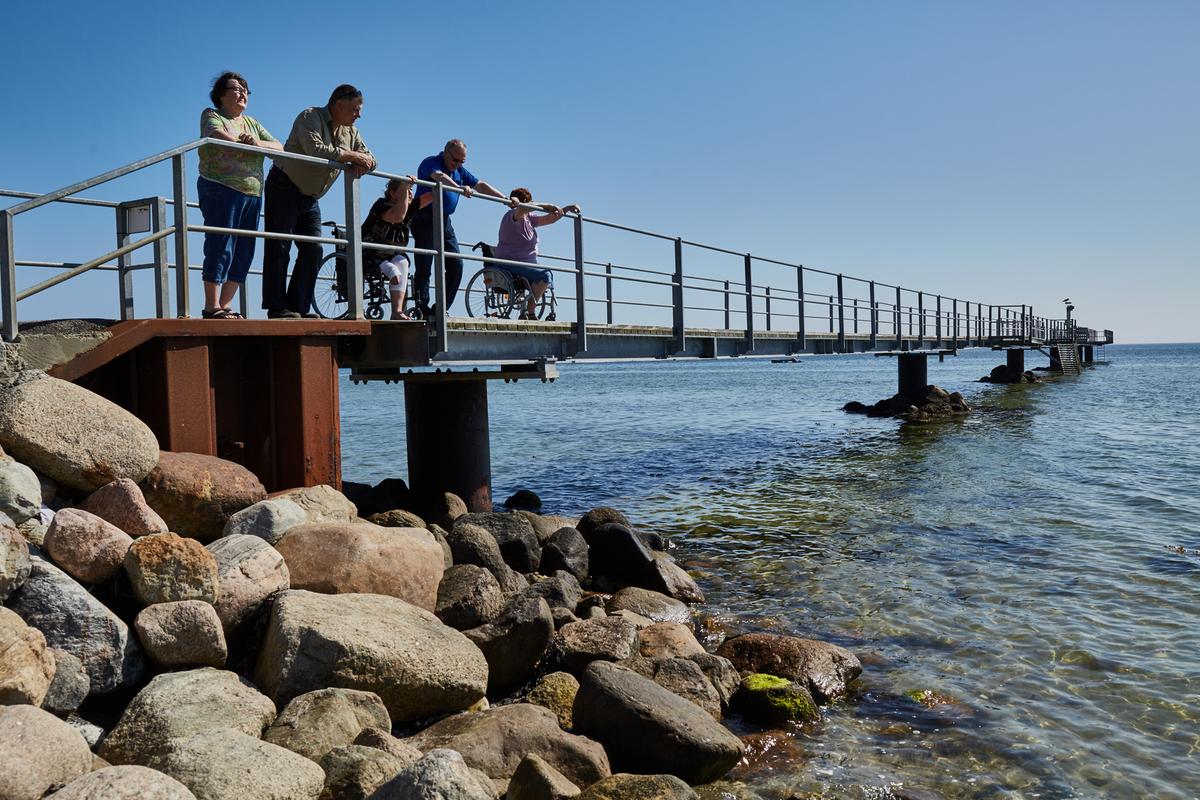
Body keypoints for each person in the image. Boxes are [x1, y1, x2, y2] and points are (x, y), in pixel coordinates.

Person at [262, 85, 376, 318]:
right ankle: (276, 307)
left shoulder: (351, 132)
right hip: (285, 185)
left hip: (311, 196)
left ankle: (298, 307)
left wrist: (365, 162)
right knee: (279, 246)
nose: (358, 115)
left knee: (313, 250)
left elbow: (371, 158)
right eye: (355, 109)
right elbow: (315, 150)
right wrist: (352, 156)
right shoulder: (310, 116)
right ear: (339, 104)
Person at [197, 71, 282, 319]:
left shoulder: (252, 124)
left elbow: (278, 146)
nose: (243, 93)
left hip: (253, 192)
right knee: (221, 243)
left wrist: (255, 143)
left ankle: (225, 305)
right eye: (236, 88)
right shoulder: (212, 115)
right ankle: (211, 305)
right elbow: (216, 135)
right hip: (221, 187)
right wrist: (244, 143)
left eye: (246, 89)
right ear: (221, 95)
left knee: (244, 249)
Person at [411, 139, 513, 317]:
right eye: (454, 160)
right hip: (424, 217)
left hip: (444, 219)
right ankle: (422, 308)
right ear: (445, 153)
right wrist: (459, 188)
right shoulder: (431, 162)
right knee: (425, 264)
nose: (457, 164)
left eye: (461, 162)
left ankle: (441, 308)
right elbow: (439, 177)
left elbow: (480, 185)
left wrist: (504, 199)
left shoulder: (459, 170)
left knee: (456, 264)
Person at [492, 188, 580, 319]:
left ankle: (529, 309)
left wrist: (566, 209)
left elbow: (548, 219)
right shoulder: (513, 216)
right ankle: (530, 311)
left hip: (526, 264)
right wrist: (547, 205)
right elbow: (523, 209)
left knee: (545, 273)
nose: (533, 204)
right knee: (545, 275)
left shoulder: (528, 218)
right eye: (530, 202)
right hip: (511, 263)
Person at [362, 177, 415, 320]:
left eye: (411, 191)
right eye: (405, 191)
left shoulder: (408, 206)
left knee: (403, 262)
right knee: (394, 271)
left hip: (391, 254)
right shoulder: (382, 205)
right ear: (392, 193)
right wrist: (405, 188)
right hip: (371, 254)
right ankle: (392, 273)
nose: (409, 194)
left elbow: (430, 197)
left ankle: (396, 311)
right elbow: (398, 216)